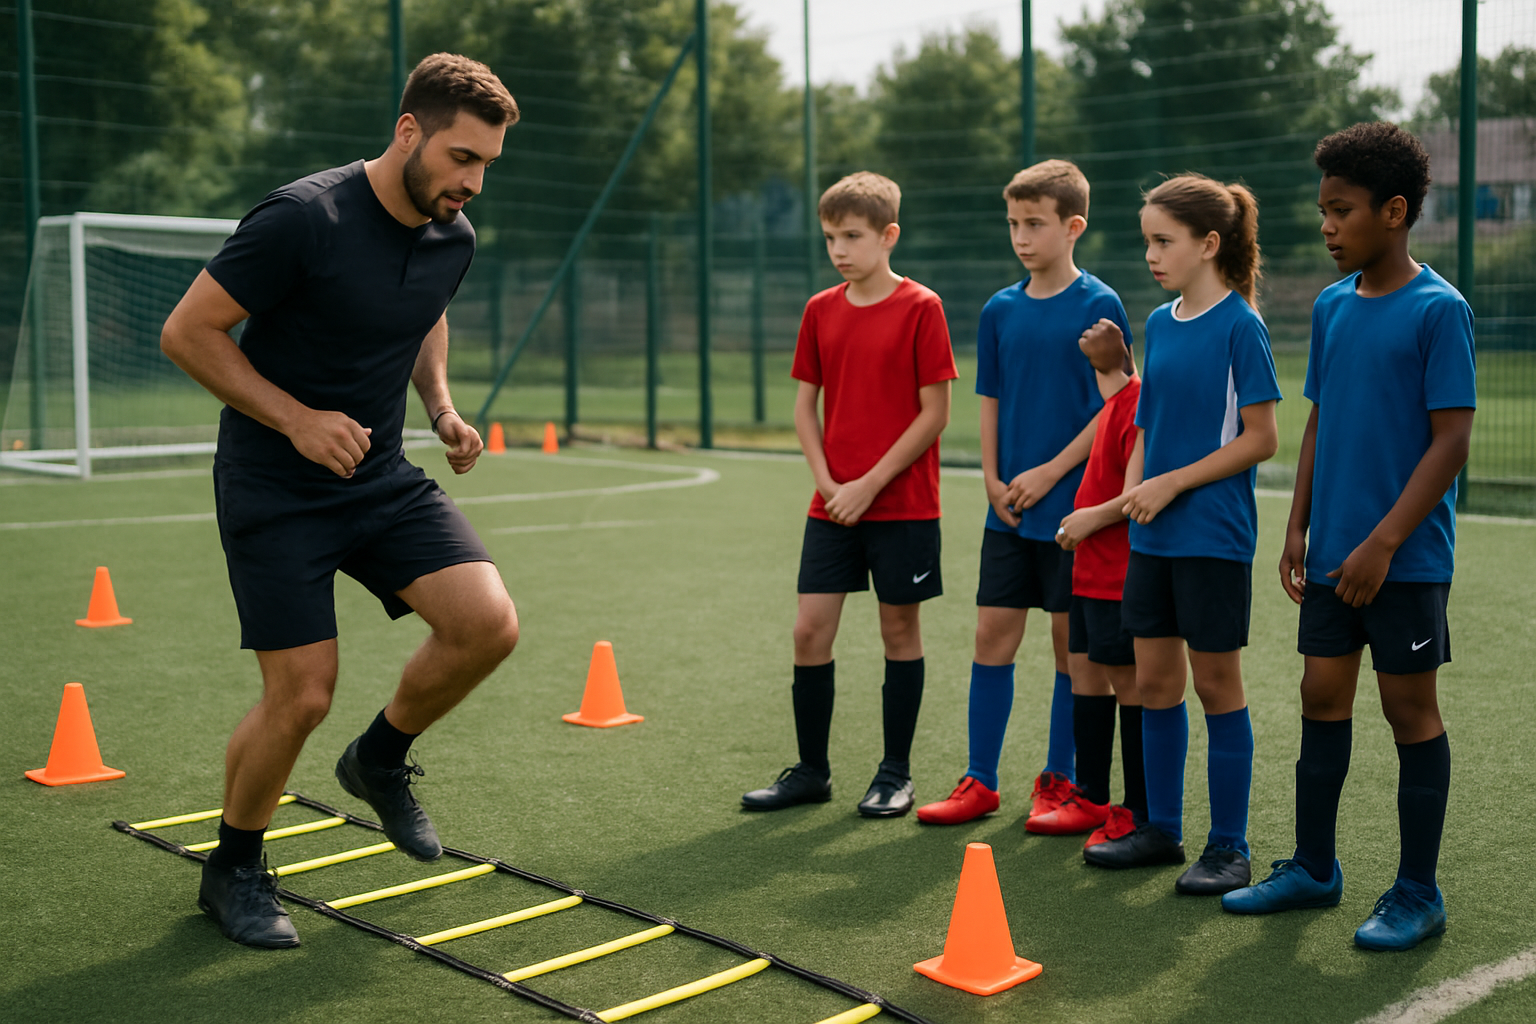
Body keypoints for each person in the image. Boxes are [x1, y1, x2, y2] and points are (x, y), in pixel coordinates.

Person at [160, 54, 522, 948]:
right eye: (461, 158)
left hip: (379, 473)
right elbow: (188, 332)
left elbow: (425, 309)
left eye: (487, 166)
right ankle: (233, 866)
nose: (472, 183)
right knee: (303, 694)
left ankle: (380, 759)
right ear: (409, 132)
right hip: (275, 483)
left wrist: (440, 406)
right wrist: (295, 420)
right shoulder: (303, 218)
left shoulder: (454, 235)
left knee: (488, 624)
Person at [1222, 123, 1474, 951]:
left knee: (1409, 709)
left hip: (1402, 561)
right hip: (1330, 553)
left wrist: (1383, 544)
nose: (1326, 227)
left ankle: (1417, 892)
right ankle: (1314, 868)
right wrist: (1298, 526)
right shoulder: (1332, 308)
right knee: (1319, 698)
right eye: (1322, 210)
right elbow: (1320, 423)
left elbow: (1450, 441)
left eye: (1342, 211)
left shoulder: (1440, 310)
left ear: (1394, 212)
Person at [915, 160, 1132, 828]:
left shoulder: (1101, 304)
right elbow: (990, 400)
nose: (1022, 236)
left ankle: (1060, 780)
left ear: (1073, 226)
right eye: (1013, 223)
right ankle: (980, 780)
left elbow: (1117, 407)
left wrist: (1047, 473)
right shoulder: (999, 309)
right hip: (1006, 510)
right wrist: (990, 477)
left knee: (1071, 650)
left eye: (1034, 223)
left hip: (1072, 512)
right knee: (991, 637)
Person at [1081, 173, 1280, 899]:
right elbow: (1146, 425)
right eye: (1147, 242)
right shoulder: (1160, 323)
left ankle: (1229, 847)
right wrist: (1132, 492)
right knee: (1155, 683)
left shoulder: (1240, 325)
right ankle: (1161, 829)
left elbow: (1261, 438)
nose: (1152, 256)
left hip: (1214, 538)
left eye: (1164, 241)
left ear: (1210, 243)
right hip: (1153, 538)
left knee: (1216, 685)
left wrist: (1171, 483)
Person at [742, 171, 957, 818]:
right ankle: (812, 771)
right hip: (832, 504)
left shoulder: (923, 307)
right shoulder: (819, 310)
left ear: (888, 236)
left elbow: (934, 414)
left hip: (902, 504)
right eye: (831, 237)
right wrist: (830, 482)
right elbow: (805, 407)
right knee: (810, 632)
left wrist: (868, 483)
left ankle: (895, 773)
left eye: (853, 236)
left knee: (899, 629)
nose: (839, 249)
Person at [1027, 319, 1145, 846]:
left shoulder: (1138, 402)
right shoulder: (1112, 403)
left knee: (1130, 687)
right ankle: (1092, 796)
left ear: (1120, 355)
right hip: (1088, 573)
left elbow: (1134, 494)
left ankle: (1137, 808)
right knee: (1086, 676)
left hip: (1119, 575)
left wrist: (1087, 518)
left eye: (1100, 356)